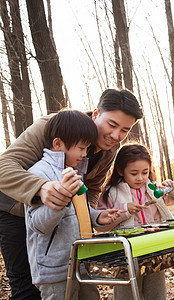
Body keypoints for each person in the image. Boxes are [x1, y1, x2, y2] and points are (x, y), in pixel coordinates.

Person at [0, 88, 143, 299]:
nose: (116, 136)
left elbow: (93, 188)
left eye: (125, 130)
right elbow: (4, 167)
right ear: (96, 114)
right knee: (27, 287)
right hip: (14, 210)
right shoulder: (53, 126)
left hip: (60, 225)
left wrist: (92, 216)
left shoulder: (110, 149)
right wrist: (41, 187)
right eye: (112, 125)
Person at [25, 110, 122, 299]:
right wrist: (62, 197)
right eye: (81, 148)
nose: (85, 154)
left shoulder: (74, 171)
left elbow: (78, 210)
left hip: (82, 262)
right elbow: (38, 225)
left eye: (87, 148)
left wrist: (97, 217)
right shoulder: (38, 173)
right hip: (55, 270)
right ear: (58, 144)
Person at [97, 143, 174, 300]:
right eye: (134, 173)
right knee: (127, 292)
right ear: (120, 171)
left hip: (155, 248)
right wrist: (125, 210)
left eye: (144, 172)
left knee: (156, 292)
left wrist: (172, 187)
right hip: (126, 253)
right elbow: (102, 225)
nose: (140, 178)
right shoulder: (112, 192)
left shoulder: (153, 189)